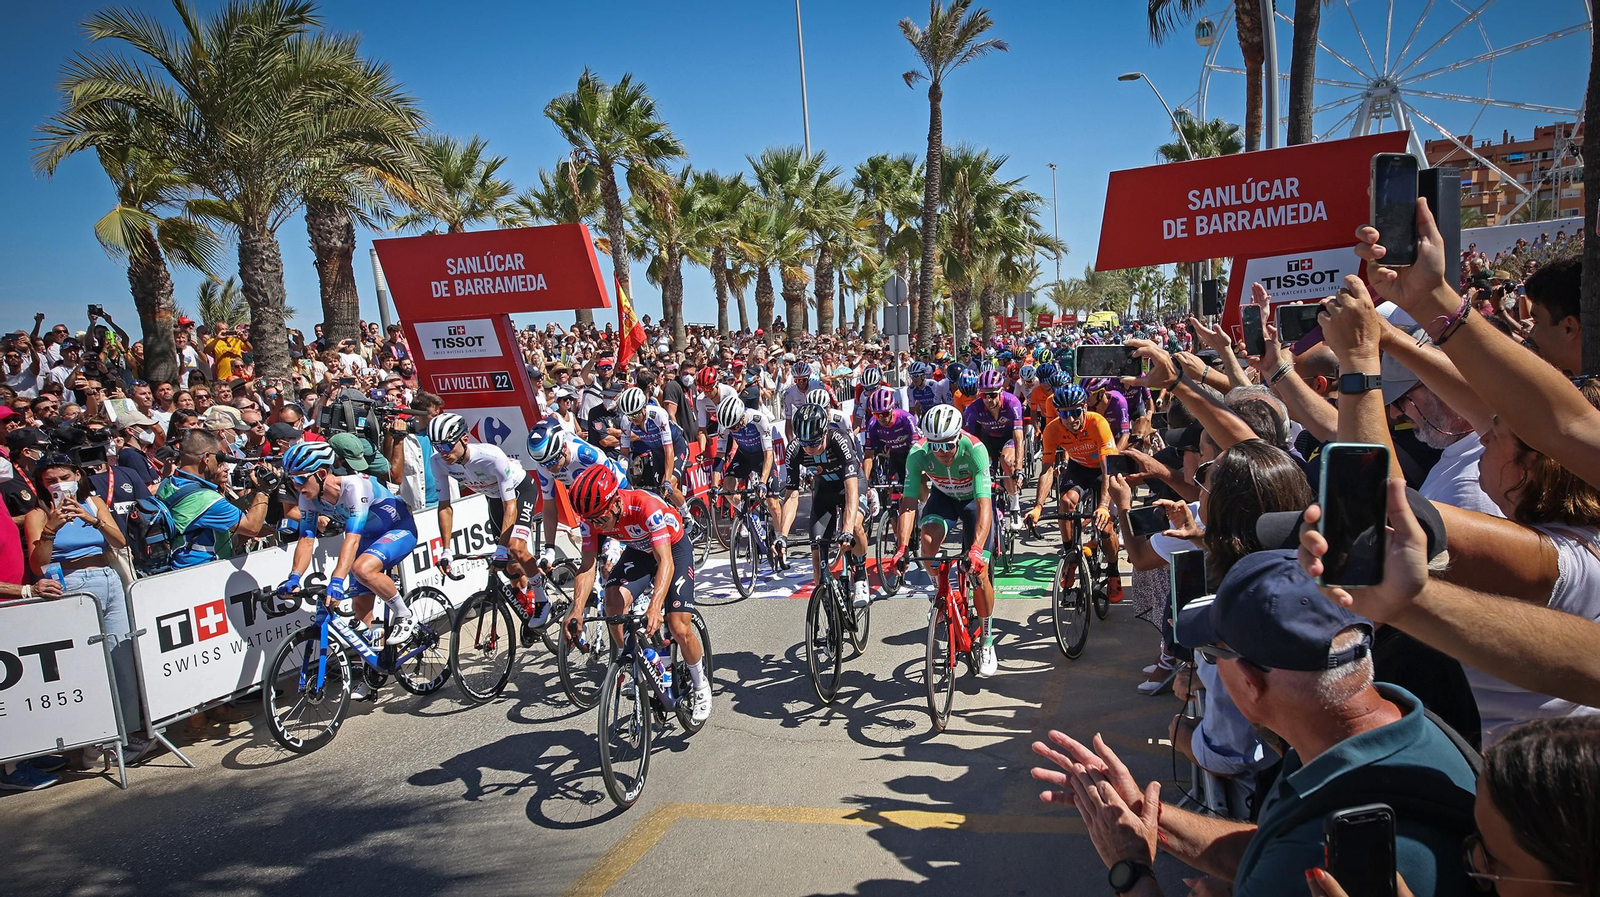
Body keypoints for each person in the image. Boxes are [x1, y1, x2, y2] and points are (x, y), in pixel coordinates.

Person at [1033, 550, 1478, 897]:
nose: (1205, 669)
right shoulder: (1408, 727)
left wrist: (1131, 869)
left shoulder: (1302, 863)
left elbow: (1287, 857)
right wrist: (1148, 815)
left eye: (1212, 655)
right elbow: (1270, 844)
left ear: (1249, 682)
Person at [563, 463, 711, 724]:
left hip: (673, 548)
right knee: (612, 601)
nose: (596, 525)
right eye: (591, 520)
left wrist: (655, 606)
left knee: (677, 625)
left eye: (600, 519)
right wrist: (576, 609)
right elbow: (587, 566)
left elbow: (665, 562)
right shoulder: (591, 519)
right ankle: (631, 660)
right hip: (640, 550)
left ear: (615, 502)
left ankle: (700, 685)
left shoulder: (645, 506)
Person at [276, 442, 418, 700]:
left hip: (397, 529)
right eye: (292, 480)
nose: (296, 486)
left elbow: (351, 538)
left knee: (362, 568)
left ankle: (404, 614)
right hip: (368, 538)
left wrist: (337, 580)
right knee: (362, 610)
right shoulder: (308, 497)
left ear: (321, 474)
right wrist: (294, 577)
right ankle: (374, 671)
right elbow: (306, 539)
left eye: (300, 479)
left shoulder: (354, 487)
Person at [23, 455, 141, 735]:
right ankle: (98, 736)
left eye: (64, 477)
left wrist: (93, 520)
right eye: (51, 480)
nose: (59, 484)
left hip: (108, 578)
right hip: (71, 584)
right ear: (42, 484)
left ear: (77, 476)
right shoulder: (37, 515)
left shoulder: (93, 503)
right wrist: (51, 528)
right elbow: (37, 565)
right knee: (88, 663)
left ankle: (129, 732)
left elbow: (120, 541)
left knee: (122, 656)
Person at [888, 404, 998, 676]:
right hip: (944, 499)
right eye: (935, 446)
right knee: (926, 541)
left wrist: (976, 549)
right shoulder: (917, 454)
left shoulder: (975, 450)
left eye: (948, 445)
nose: (942, 452)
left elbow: (984, 505)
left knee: (979, 573)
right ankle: (940, 590)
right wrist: (902, 547)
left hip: (973, 502)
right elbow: (909, 503)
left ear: (958, 436)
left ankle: (986, 640)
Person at [1026, 385, 1124, 602]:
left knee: (1106, 527)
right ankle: (1071, 557)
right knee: (1066, 502)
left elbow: (1108, 469)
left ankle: (1113, 571)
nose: (1070, 419)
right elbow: (1047, 469)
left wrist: (1103, 506)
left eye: (1075, 412)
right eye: (1064, 414)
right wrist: (1038, 506)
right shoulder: (1053, 429)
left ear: (1084, 408)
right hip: (1079, 468)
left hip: (1103, 470)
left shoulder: (1098, 423)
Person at [775, 403, 869, 608]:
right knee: (817, 555)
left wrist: (846, 530)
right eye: (805, 443)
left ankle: (860, 573)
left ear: (825, 432)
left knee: (854, 526)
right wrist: (782, 536)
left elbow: (851, 490)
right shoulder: (794, 450)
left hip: (850, 485)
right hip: (824, 491)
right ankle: (828, 608)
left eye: (815, 442)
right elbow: (791, 496)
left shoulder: (840, 440)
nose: (809, 449)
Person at [426, 412, 537, 577]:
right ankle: (524, 591)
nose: (443, 453)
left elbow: (510, 504)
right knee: (509, 566)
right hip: (493, 496)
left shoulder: (491, 457)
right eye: (438, 447)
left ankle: (540, 592)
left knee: (515, 547)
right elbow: (444, 507)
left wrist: (502, 547)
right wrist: (446, 550)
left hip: (520, 490)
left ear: (464, 439)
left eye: (447, 446)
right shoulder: (437, 462)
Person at [157, 429, 274, 567]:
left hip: (181, 565)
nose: (223, 465)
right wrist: (263, 490)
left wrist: (250, 498)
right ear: (206, 457)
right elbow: (252, 528)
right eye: (219, 459)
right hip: (205, 571)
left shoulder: (168, 483)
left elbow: (215, 512)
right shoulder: (204, 498)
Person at [711, 394, 783, 536]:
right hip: (743, 456)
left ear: (741, 417)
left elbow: (768, 453)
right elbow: (720, 454)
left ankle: (780, 537)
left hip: (763, 457)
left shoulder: (759, 419)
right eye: (729, 428)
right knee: (727, 487)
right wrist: (714, 485)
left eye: (734, 426)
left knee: (773, 504)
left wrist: (762, 482)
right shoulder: (724, 424)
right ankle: (750, 515)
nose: (732, 431)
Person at [962, 368, 1026, 516]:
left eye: (992, 394)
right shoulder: (973, 408)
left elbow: (1018, 437)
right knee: (984, 470)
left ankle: (1014, 504)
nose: (988, 399)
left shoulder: (1012, 403)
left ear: (1001, 391)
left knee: (1007, 461)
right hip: (988, 440)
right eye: (984, 395)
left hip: (1008, 438)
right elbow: (968, 439)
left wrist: (1019, 469)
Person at [616, 386, 688, 509]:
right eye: (629, 416)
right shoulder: (626, 421)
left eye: (635, 415)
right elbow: (624, 453)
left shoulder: (658, 415)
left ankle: (687, 515)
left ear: (644, 408)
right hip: (657, 453)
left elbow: (668, 449)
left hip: (676, 447)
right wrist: (621, 475)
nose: (633, 419)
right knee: (659, 492)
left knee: (668, 484)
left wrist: (667, 480)